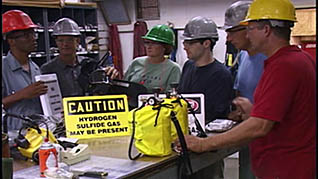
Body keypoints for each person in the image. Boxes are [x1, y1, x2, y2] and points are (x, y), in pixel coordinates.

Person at [175, 0, 316, 178]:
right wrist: (254, 113)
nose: (246, 35)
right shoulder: (295, 60)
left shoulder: (284, 66)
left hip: (287, 167)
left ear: (266, 30)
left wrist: (204, 144)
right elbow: (283, 116)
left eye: (249, 29)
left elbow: (260, 126)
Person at [178, 16, 233, 179]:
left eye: (190, 42)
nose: (184, 46)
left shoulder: (221, 74)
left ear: (206, 43)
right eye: (185, 42)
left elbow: (217, 116)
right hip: (186, 141)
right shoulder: (188, 67)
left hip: (207, 147)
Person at [220, 1, 267, 179]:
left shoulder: (275, 62)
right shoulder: (243, 56)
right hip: (249, 139)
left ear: (250, 28)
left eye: (232, 31)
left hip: (273, 143)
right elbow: (241, 91)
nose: (228, 39)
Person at [41, 18, 119, 97]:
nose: (65, 44)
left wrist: (109, 75)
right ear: (56, 42)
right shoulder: (47, 70)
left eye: (69, 40)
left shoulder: (89, 65)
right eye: (61, 40)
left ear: (77, 41)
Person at [2, 10, 48, 131]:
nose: (33, 39)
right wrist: (21, 95)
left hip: (38, 134)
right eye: (27, 35)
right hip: (14, 139)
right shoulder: (3, 68)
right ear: (11, 41)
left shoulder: (36, 68)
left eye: (34, 34)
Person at [124, 24, 181, 93]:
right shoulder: (136, 62)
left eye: (154, 43)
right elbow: (124, 86)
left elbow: (171, 94)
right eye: (147, 43)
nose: (149, 46)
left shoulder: (173, 68)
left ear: (165, 46)